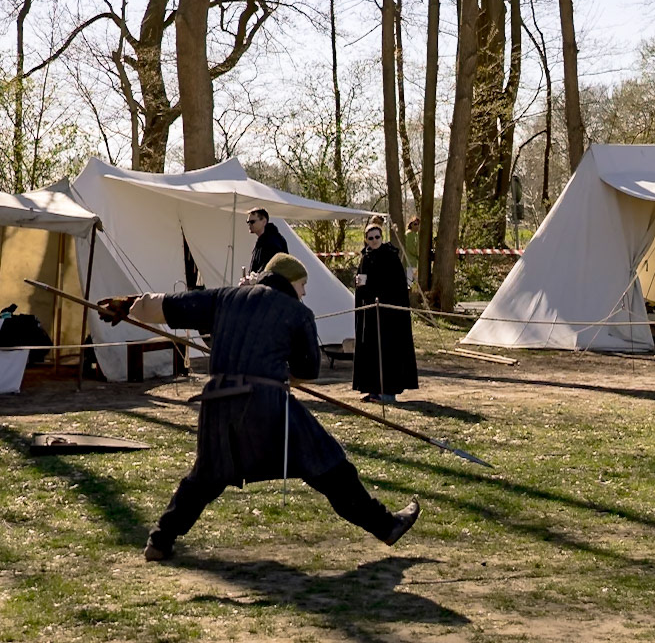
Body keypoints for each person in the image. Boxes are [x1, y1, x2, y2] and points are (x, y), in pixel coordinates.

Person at [96, 253, 421, 561]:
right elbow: (309, 370)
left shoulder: (223, 297)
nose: (305, 292)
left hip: (217, 402)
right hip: (266, 405)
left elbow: (169, 306)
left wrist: (128, 307)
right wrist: (279, 375)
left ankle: (159, 540)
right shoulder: (297, 313)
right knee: (329, 464)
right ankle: (386, 525)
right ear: (290, 281)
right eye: (303, 285)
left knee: (205, 478)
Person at [353, 217, 418, 404]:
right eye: (371, 238)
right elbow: (361, 283)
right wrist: (359, 285)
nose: (374, 241)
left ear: (382, 237)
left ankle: (388, 392)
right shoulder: (365, 257)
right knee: (371, 350)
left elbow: (397, 287)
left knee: (387, 352)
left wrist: (378, 293)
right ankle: (372, 389)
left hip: (388, 317)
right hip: (371, 315)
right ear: (366, 239)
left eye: (377, 237)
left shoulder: (390, 256)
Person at [243, 207, 290, 282]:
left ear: (264, 222)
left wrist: (251, 281)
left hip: (272, 289)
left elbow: (269, 271)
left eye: (252, 222)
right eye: (247, 222)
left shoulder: (272, 242)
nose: (249, 224)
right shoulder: (263, 240)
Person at [402, 216, 421, 286]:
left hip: (414, 263)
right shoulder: (409, 234)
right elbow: (411, 248)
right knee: (410, 282)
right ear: (411, 225)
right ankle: (410, 295)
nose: (417, 226)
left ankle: (414, 294)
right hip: (409, 262)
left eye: (418, 224)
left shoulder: (416, 234)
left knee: (415, 283)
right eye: (415, 224)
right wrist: (419, 254)